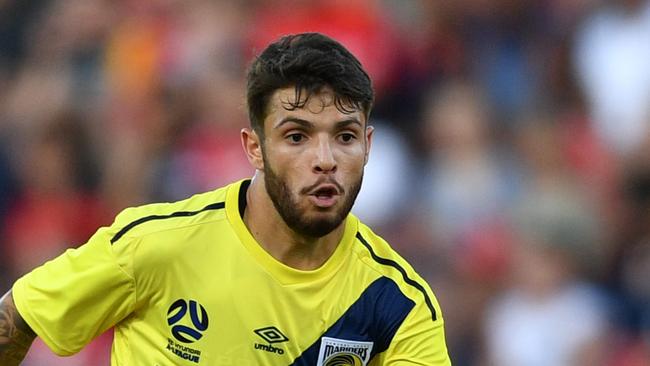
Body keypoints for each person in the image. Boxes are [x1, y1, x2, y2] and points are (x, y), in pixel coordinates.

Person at [0, 32, 451, 365]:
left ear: (368, 146)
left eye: (345, 136)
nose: (325, 159)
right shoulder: (157, 244)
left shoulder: (397, 304)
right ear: (254, 147)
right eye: (296, 136)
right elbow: (17, 319)